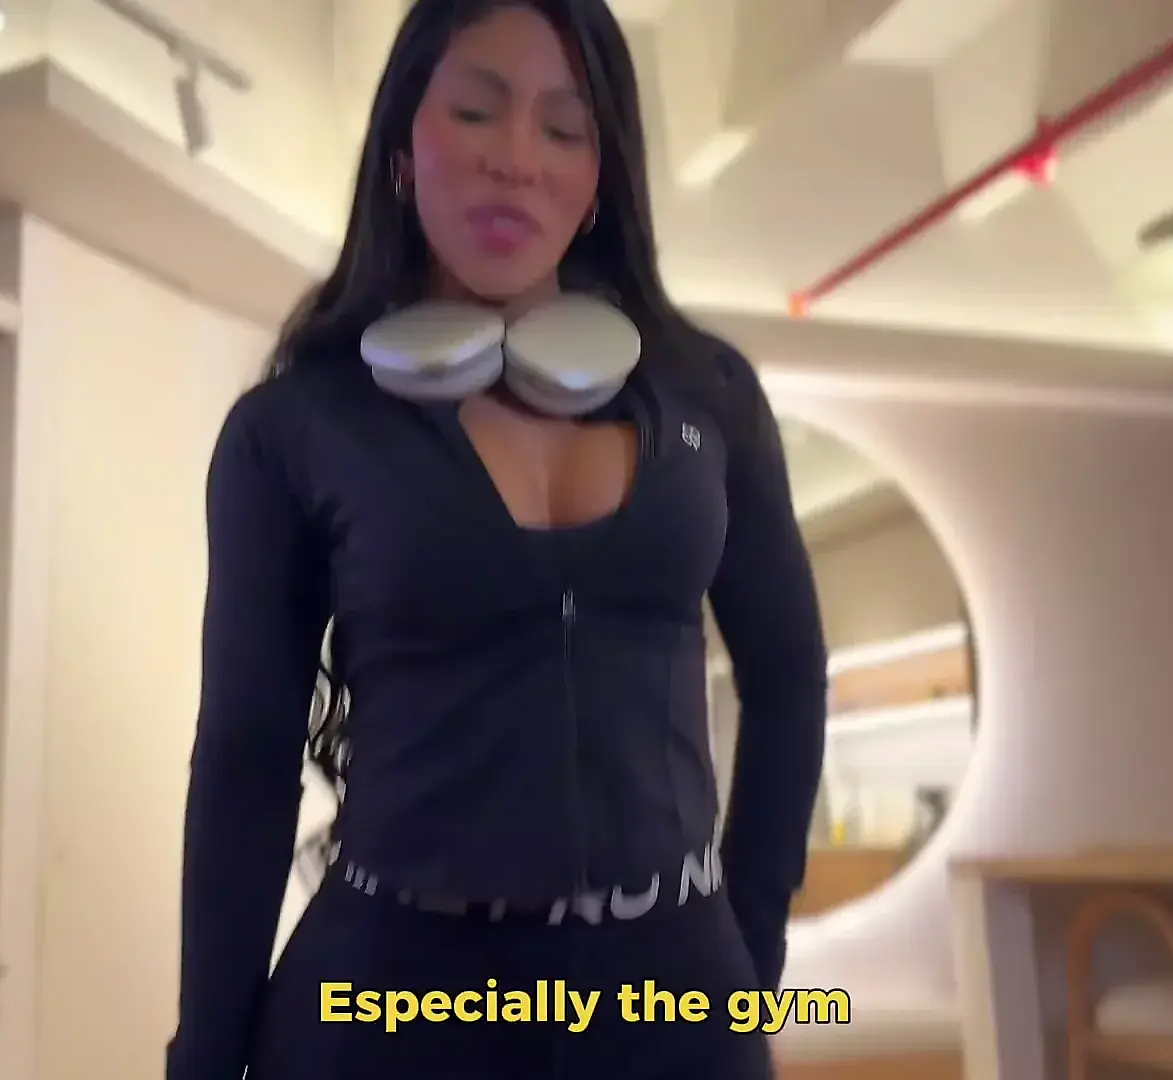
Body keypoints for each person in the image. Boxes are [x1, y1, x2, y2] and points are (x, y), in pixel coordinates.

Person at [166, 1, 827, 1077]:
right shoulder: (293, 429)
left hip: (673, 1000)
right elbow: (246, 759)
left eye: (564, 128)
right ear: (401, 148)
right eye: (476, 112)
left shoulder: (709, 397)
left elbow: (789, 675)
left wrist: (746, 957)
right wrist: (203, 1061)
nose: (517, 159)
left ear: (600, 178)